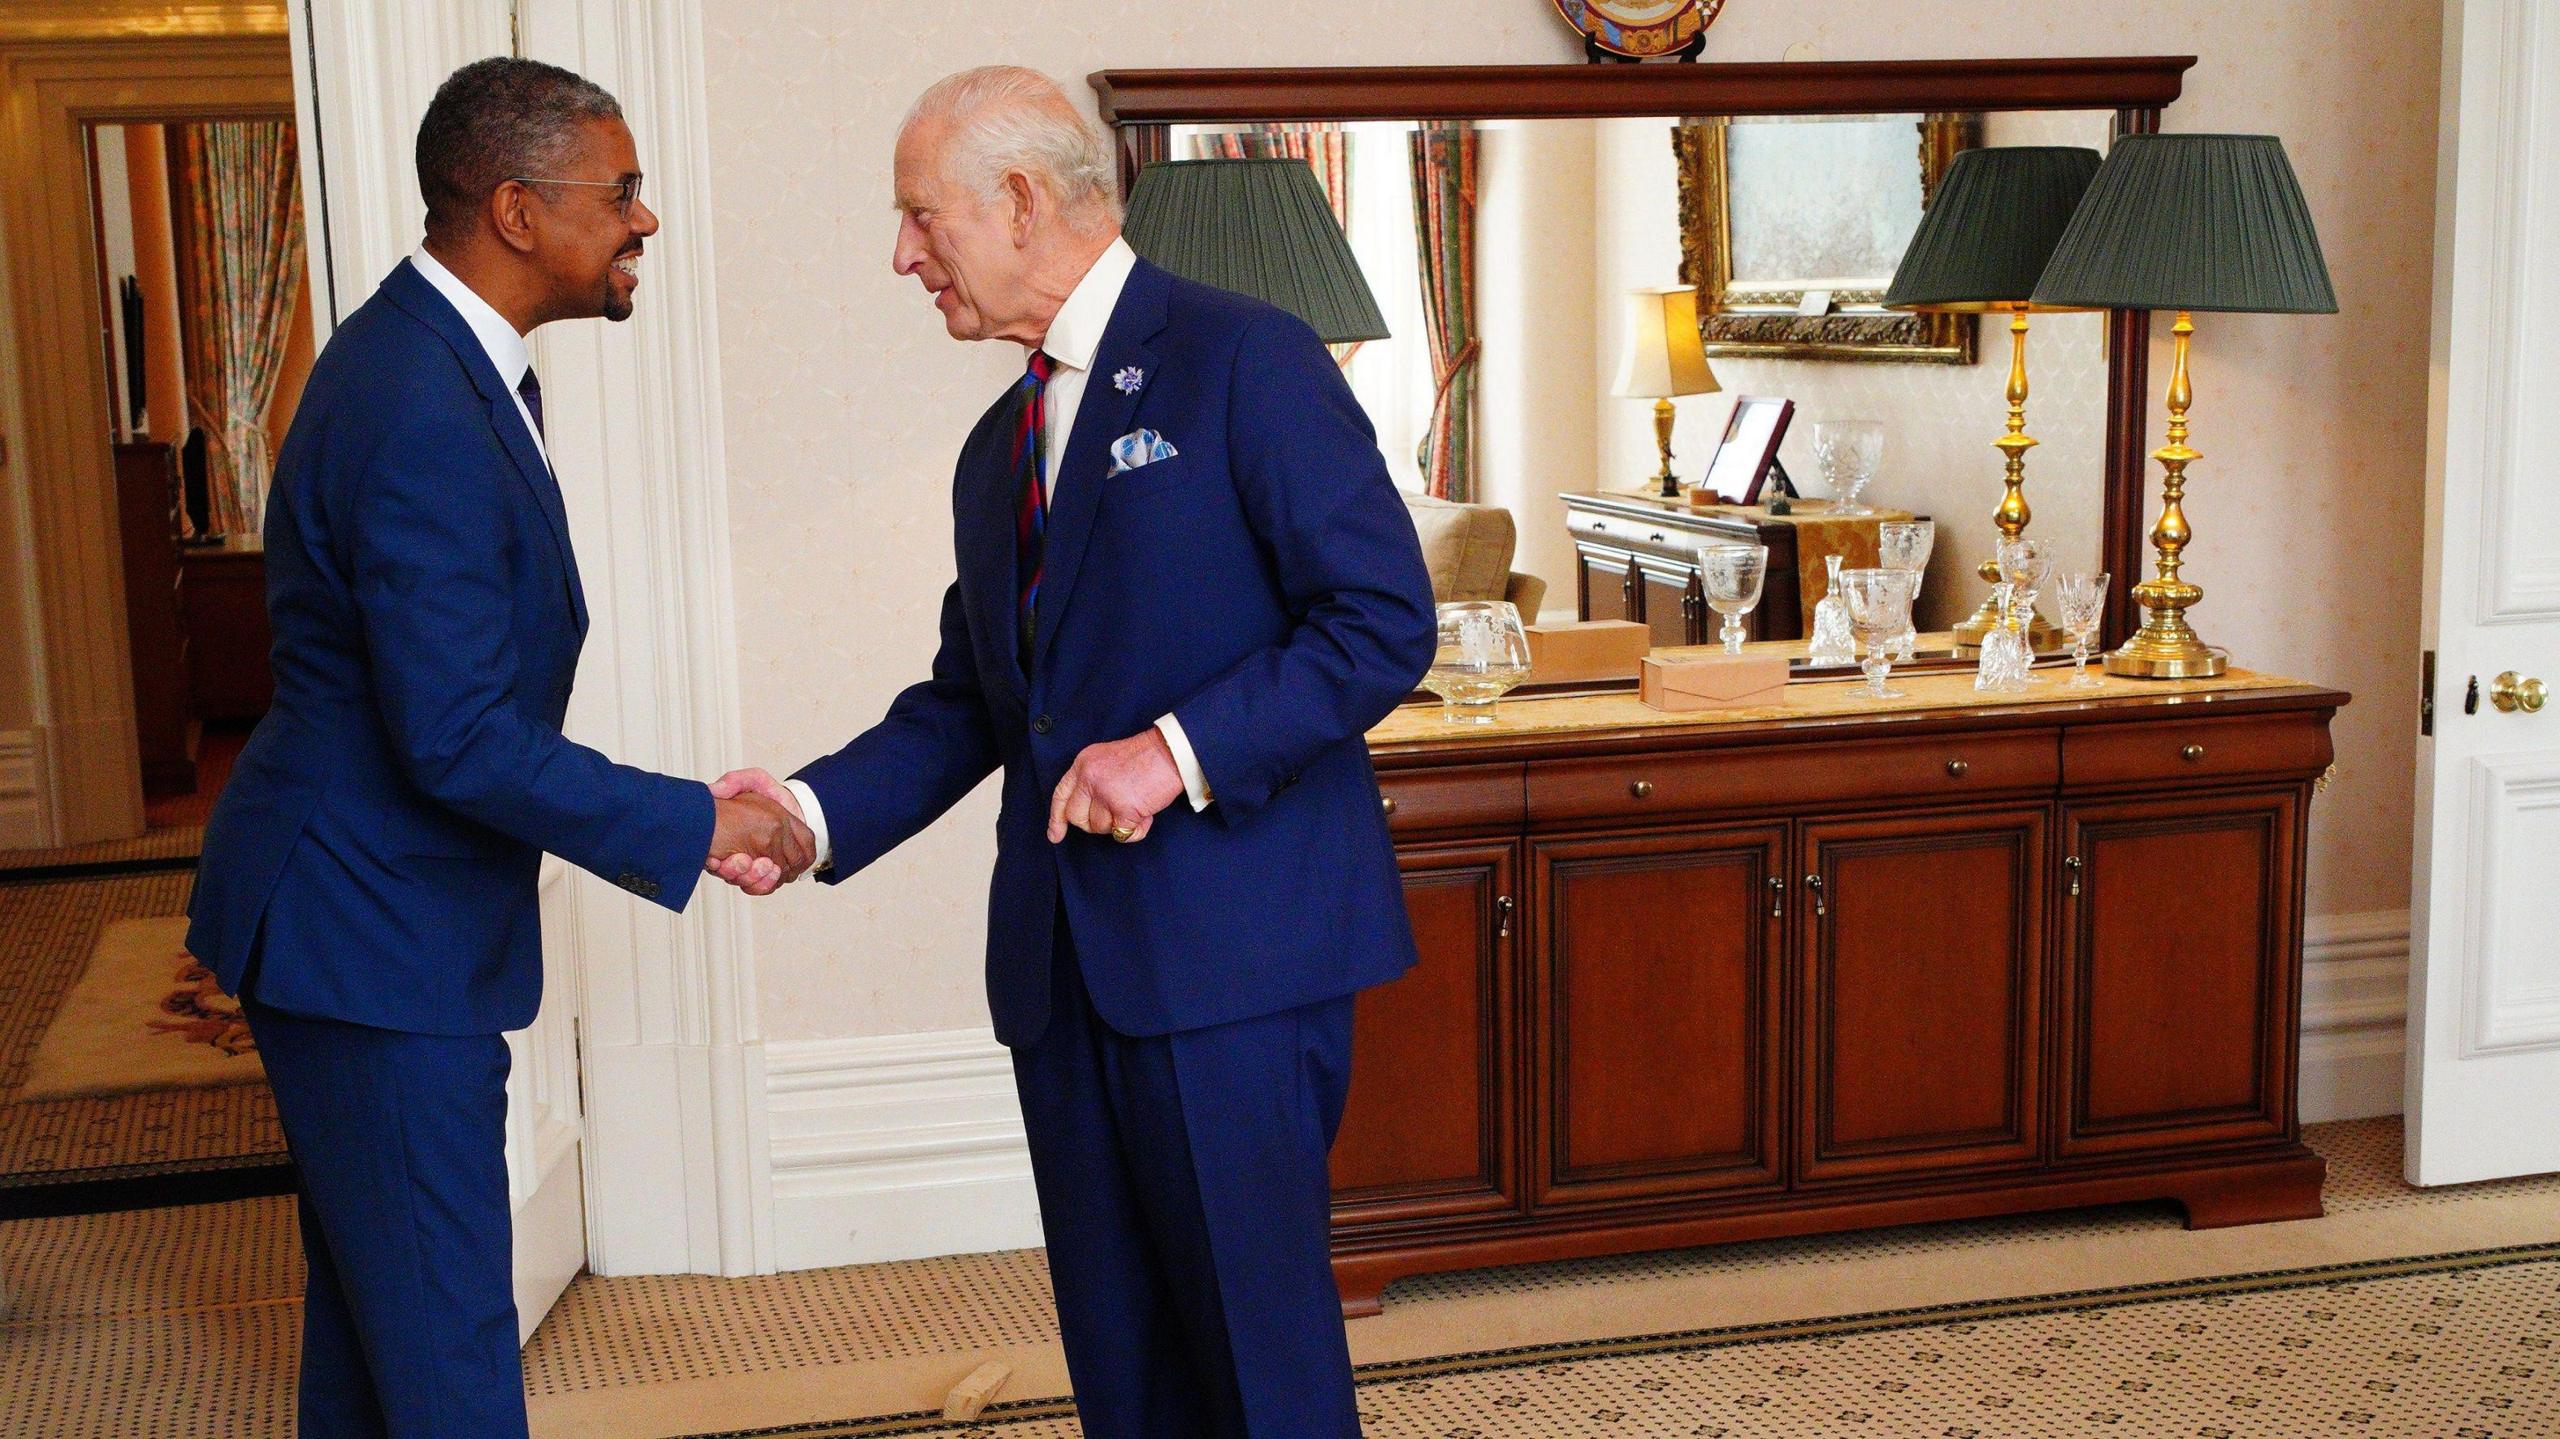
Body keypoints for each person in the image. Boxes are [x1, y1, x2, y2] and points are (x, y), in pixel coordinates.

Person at [712, 65, 1435, 1438]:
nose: (902, 253)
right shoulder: (1001, 446)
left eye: (922, 217)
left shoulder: (1246, 359)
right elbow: (977, 703)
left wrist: (1173, 751)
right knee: (1125, 1365)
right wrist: (806, 814)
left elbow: (1384, 619)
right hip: (1063, 973)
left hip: (1232, 964)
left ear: (1024, 201)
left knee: (1256, 1365)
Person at [185, 57, 812, 1439]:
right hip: (368, 933)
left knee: (381, 1331)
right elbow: (457, 737)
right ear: (518, 210)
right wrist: (688, 822)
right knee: (449, 1353)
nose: (644, 221)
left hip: (366, 919)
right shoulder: (419, 403)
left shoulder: (446, 362)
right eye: (623, 192)